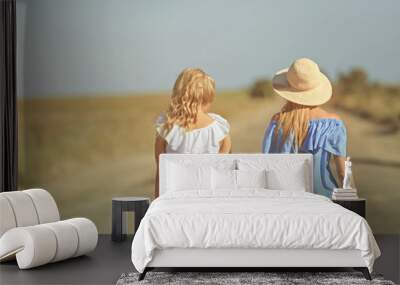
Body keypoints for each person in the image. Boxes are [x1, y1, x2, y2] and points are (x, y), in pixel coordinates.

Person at [262, 58, 347, 197]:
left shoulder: (277, 122)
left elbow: (268, 165)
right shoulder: (333, 124)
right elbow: (343, 173)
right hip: (323, 197)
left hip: (285, 198)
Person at [154, 68, 232, 197]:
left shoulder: (166, 128)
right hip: (210, 200)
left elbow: (161, 175)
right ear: (207, 97)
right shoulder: (219, 129)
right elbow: (225, 176)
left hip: (175, 200)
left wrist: (157, 205)